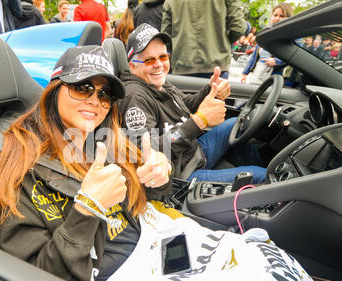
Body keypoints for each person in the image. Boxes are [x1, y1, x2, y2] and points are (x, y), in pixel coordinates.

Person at [0, 45, 173, 281]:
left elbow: (147, 191)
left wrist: (161, 171)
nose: (95, 101)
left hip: (156, 254)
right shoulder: (20, 162)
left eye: (104, 94)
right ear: (54, 90)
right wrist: (88, 209)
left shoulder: (105, 138)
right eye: (82, 87)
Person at [121, 23, 267, 184]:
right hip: (180, 173)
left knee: (238, 124)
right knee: (264, 176)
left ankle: (246, 191)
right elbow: (148, 150)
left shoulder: (157, 81)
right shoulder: (134, 96)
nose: (159, 64)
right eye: (149, 60)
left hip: (193, 151)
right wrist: (200, 121)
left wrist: (211, 89)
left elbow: (184, 103)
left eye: (163, 57)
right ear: (133, 67)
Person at [161, 0, 251, 79]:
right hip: (216, 65)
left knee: (182, 98)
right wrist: (222, 44)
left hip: (182, 65)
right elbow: (239, 27)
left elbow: (165, 37)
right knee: (215, 97)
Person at [241, 3, 294, 84]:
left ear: (289, 18)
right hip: (257, 77)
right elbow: (254, 56)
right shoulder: (264, 34)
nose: (277, 18)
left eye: (281, 16)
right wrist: (245, 73)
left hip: (276, 79)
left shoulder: (292, 36)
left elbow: (293, 56)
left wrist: (276, 61)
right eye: (275, 15)